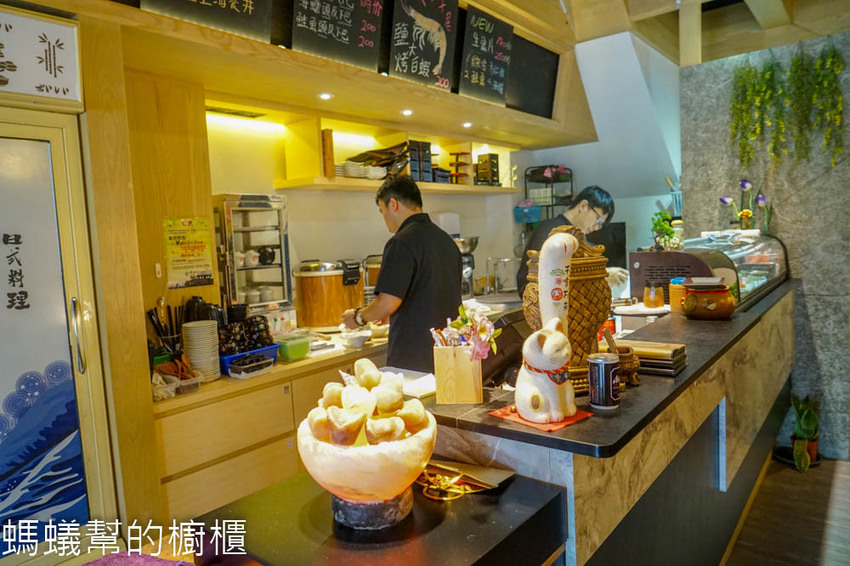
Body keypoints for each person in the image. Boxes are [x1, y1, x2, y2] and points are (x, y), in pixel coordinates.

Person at [342, 175, 462, 373]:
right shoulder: (445, 240)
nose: (385, 221)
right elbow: (429, 294)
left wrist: (358, 318)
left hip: (415, 359)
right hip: (449, 353)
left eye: (382, 211)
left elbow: (386, 304)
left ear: (393, 204)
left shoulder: (401, 242)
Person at [516, 185, 627, 297]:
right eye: (597, 220)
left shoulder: (576, 237)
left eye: (600, 225)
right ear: (583, 206)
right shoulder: (551, 230)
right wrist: (600, 275)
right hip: (540, 305)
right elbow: (551, 274)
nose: (596, 227)